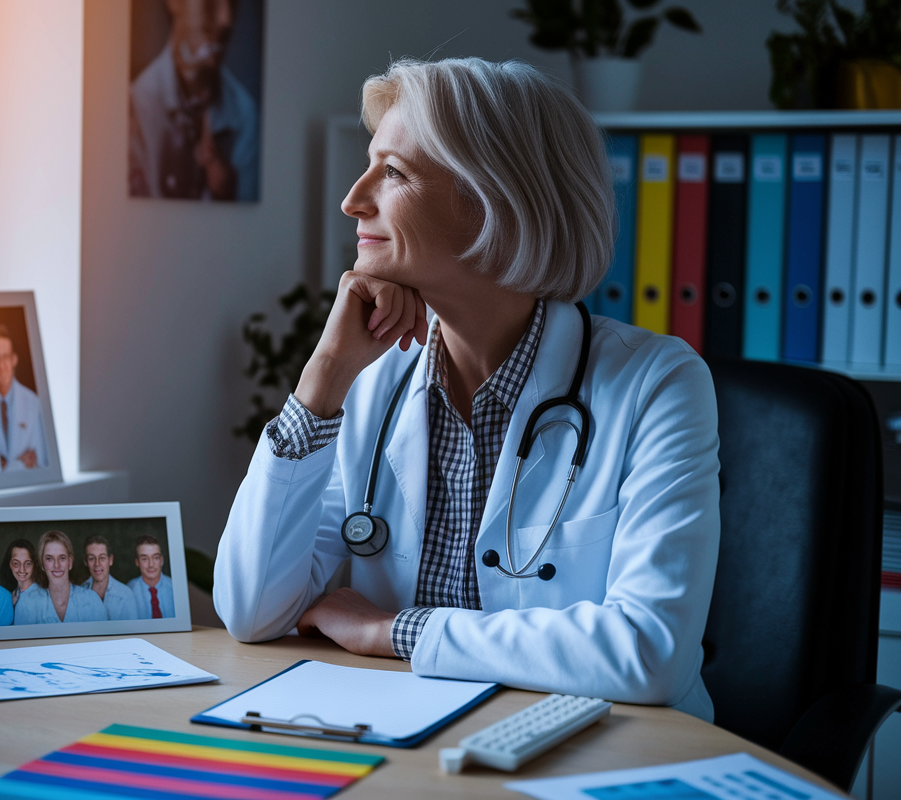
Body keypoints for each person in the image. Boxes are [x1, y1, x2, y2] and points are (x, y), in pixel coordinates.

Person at [213, 58, 721, 722]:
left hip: (596, 758)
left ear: (492, 202)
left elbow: (649, 654)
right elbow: (253, 610)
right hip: (413, 743)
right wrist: (324, 378)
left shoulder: (657, 385)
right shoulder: (371, 382)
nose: (353, 199)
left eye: (392, 173)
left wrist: (396, 630)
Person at [129, 0, 258, 201]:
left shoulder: (244, 112)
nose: (226, 19)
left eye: (233, 3)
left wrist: (227, 195)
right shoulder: (137, 103)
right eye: (210, 2)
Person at [0, 324, 48, 472]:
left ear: (14, 359)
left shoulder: (33, 403)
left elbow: (40, 461)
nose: (1, 365)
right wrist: (19, 464)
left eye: (6, 357)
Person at [14, 531, 106, 624]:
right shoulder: (27, 603)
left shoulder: (92, 601)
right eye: (49, 559)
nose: (56, 565)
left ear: (70, 562)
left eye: (62, 558)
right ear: (42, 564)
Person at [81, 534, 138, 621]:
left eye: (102, 558)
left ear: (110, 560)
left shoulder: (126, 595)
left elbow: (132, 631)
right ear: (85, 562)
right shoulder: (79, 594)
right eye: (91, 558)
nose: (97, 564)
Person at [3, 538, 51, 624]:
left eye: (28, 563)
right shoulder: (13, 595)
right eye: (16, 563)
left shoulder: (42, 597)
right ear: (9, 564)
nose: (22, 569)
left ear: (34, 564)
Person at [128, 535, 175, 620]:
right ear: (137, 562)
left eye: (156, 558)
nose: (151, 564)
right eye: (145, 559)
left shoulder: (175, 588)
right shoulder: (128, 592)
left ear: (161, 560)